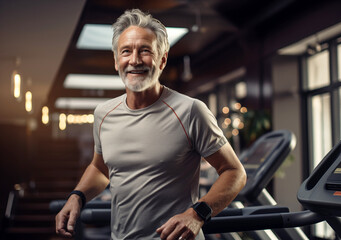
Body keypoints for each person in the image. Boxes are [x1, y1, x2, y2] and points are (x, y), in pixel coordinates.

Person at [55, 9, 246, 240]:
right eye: (126, 52)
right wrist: (77, 196)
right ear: (116, 61)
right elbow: (100, 168)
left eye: (145, 51)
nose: (134, 60)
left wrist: (198, 214)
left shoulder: (191, 111)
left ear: (162, 59)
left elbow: (234, 172)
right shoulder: (103, 114)